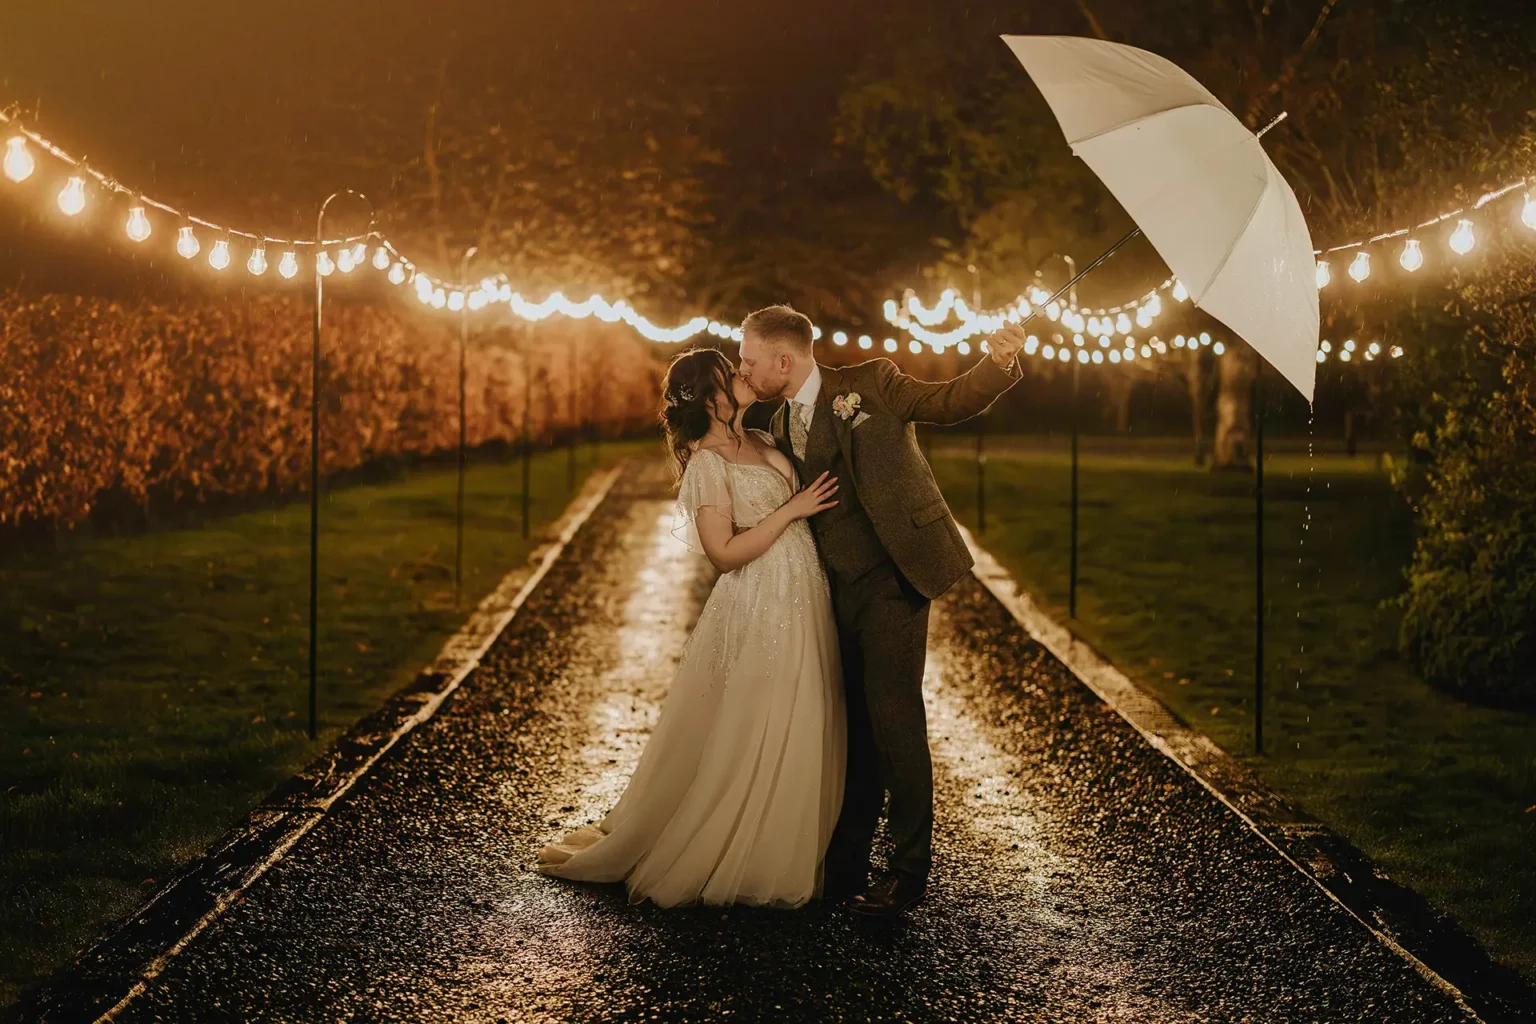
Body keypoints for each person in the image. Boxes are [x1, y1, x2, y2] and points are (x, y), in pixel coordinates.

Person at [738, 305, 1025, 919]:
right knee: (855, 725)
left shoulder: (870, 383)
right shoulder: (778, 421)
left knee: (895, 721)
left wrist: (998, 362)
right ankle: (847, 862)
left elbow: (949, 400)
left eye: (749, 359)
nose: (745, 368)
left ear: (782, 360)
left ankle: (907, 872)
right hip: (832, 588)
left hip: (895, 575)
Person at [536, 347, 846, 908]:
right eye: (731, 375)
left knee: (803, 709)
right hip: (760, 598)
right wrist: (791, 510)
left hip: (805, 590)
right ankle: (737, 848)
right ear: (710, 398)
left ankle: (786, 836)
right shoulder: (706, 464)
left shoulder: (764, 439)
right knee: (760, 712)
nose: (742, 375)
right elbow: (723, 553)